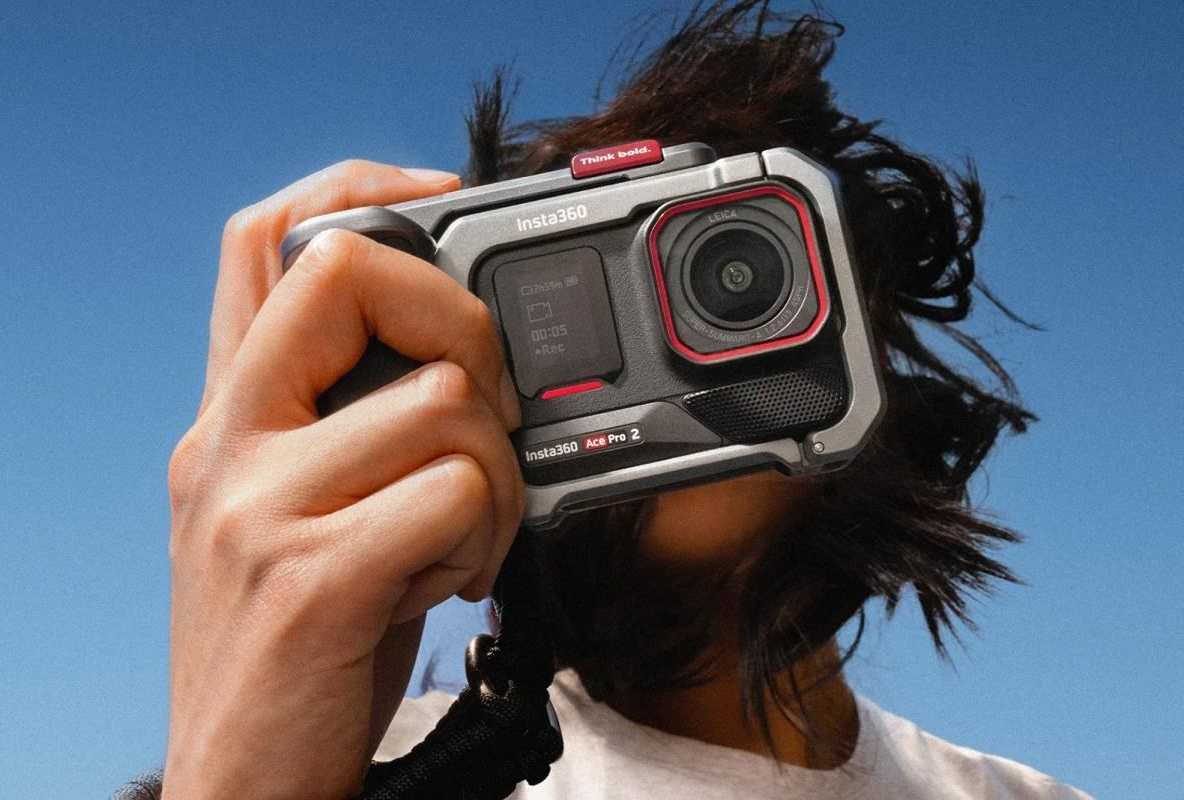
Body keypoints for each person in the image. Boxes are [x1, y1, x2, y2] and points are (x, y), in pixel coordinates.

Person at [145, 3, 1091, 798]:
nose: (682, 314)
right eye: (547, 296)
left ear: (865, 342)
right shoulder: (385, 774)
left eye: (733, 251)